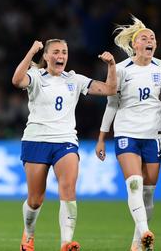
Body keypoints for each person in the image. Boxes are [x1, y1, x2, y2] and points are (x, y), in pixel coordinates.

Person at [11, 39, 117, 251]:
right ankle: (28, 234)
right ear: (47, 56)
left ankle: (66, 242)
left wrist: (112, 66)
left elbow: (110, 89)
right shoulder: (37, 77)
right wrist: (32, 51)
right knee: (35, 200)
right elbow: (16, 80)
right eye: (56, 52)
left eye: (64, 52)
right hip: (36, 140)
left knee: (68, 188)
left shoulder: (74, 79)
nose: (61, 56)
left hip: (66, 141)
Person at [96, 16, 161, 251]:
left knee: (149, 194)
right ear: (134, 44)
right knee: (134, 184)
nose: (150, 40)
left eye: (153, 38)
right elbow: (111, 104)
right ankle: (145, 232)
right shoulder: (120, 69)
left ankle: (137, 244)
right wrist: (102, 137)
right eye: (144, 37)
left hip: (154, 135)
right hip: (126, 133)